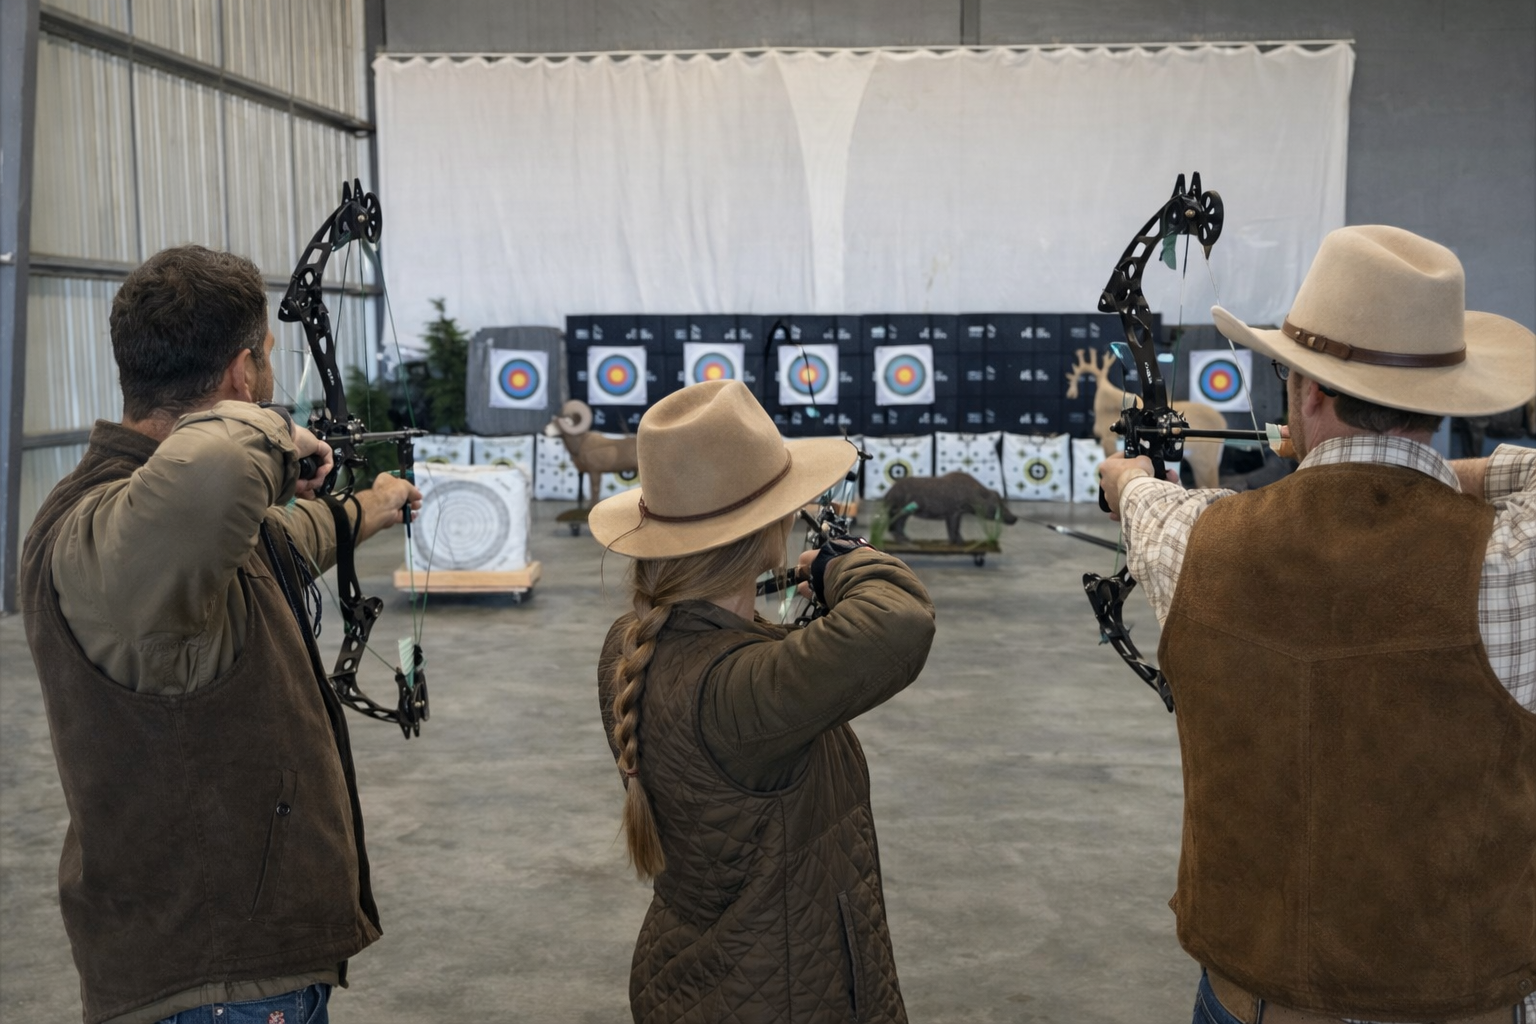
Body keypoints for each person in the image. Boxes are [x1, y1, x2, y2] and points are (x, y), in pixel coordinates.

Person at [1098, 225, 1536, 1024]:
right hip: (1457, 1000)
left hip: (1256, 998)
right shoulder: (1513, 561)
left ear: (1306, 390)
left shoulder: (1196, 540)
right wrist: (1447, 477)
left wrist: (1121, 472)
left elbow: (1139, 496)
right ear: (1442, 404)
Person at [19, 245, 421, 1024]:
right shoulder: (109, 524)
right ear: (243, 373)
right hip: (209, 986)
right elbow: (213, 468)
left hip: (236, 970)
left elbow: (274, 547)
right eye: (266, 364)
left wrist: (369, 506)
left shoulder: (175, 539)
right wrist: (277, 436)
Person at [588, 380, 936, 1024]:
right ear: (765, 534)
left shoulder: (628, 645)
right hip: (786, 990)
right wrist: (845, 562)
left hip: (694, 975)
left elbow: (734, 651)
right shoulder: (741, 692)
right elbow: (901, 620)